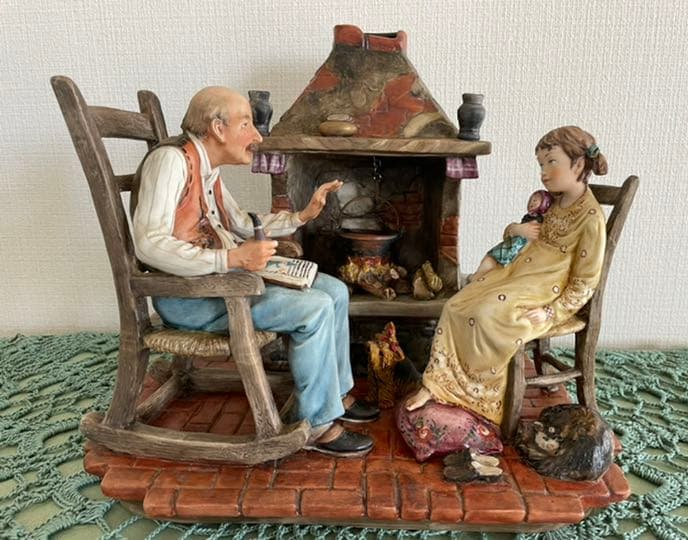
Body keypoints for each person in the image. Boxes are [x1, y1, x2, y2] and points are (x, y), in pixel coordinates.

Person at [133, 86, 379, 457]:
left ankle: (336, 395)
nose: (257, 136)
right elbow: (148, 243)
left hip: (222, 285)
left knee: (335, 291)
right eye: (246, 123)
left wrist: (301, 216)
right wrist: (231, 260)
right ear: (218, 128)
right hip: (191, 298)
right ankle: (317, 424)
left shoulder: (208, 170)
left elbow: (242, 223)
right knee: (314, 308)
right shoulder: (170, 162)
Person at [405, 126, 608, 426]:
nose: (543, 173)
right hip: (518, 275)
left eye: (551, 162)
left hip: (545, 291)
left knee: (488, 314)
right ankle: (438, 385)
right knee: (457, 304)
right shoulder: (552, 203)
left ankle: (477, 397)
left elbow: (585, 281)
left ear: (578, 165)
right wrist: (516, 230)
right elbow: (519, 236)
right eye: (541, 164)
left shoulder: (591, 219)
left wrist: (552, 311)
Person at [468, 189, 554, 282]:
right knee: (490, 258)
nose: (531, 203)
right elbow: (508, 232)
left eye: (535, 200)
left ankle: (481, 278)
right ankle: (478, 276)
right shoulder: (527, 218)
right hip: (510, 246)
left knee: (500, 268)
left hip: (519, 256)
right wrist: (517, 229)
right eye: (530, 200)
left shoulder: (544, 222)